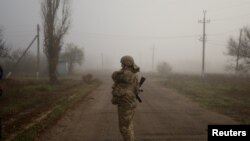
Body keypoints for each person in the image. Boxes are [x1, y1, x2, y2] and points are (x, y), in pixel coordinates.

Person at [111, 55, 140, 141]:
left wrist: (122, 71)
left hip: (126, 104)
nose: (121, 66)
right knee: (128, 127)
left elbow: (114, 76)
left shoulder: (127, 74)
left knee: (124, 128)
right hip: (128, 103)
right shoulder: (132, 75)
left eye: (122, 64)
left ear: (126, 64)